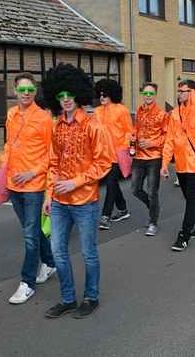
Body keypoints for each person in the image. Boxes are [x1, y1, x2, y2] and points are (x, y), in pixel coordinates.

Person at [42, 64, 114, 319]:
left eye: (68, 94)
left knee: (88, 252)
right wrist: (49, 195)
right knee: (58, 251)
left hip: (84, 201)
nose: (65, 100)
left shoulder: (94, 126)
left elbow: (104, 163)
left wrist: (76, 182)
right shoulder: (56, 126)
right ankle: (68, 298)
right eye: (60, 96)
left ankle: (91, 297)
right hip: (60, 202)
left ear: (77, 93)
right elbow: (52, 163)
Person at [0, 73, 56, 305]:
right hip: (13, 184)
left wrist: (32, 173)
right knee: (31, 230)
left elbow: (52, 154)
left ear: (34, 92)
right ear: (15, 91)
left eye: (30, 90)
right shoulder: (11, 114)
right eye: (22, 89)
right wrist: (4, 165)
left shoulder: (43, 118)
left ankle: (27, 283)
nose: (26, 93)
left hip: (33, 185)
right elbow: (9, 144)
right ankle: (50, 262)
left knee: (30, 235)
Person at [160, 80, 195, 252]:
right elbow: (169, 140)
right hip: (181, 165)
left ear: (192, 92)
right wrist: (164, 164)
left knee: (191, 200)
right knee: (190, 199)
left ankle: (183, 236)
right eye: (178, 91)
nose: (180, 94)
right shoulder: (175, 113)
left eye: (183, 91)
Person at [94, 79, 133, 231]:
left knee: (110, 182)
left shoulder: (121, 110)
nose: (102, 96)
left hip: (117, 154)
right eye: (100, 94)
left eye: (106, 94)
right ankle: (123, 209)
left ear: (112, 94)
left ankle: (105, 216)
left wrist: (123, 149)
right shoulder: (97, 112)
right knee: (113, 183)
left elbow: (129, 131)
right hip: (103, 155)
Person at [132, 82, 169, 236]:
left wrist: (151, 143)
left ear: (155, 95)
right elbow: (136, 130)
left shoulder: (162, 114)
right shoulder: (139, 111)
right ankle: (154, 208)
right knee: (135, 189)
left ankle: (153, 221)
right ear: (143, 94)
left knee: (152, 192)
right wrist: (132, 139)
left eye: (151, 93)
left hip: (154, 157)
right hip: (139, 156)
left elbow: (167, 136)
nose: (148, 96)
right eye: (145, 93)